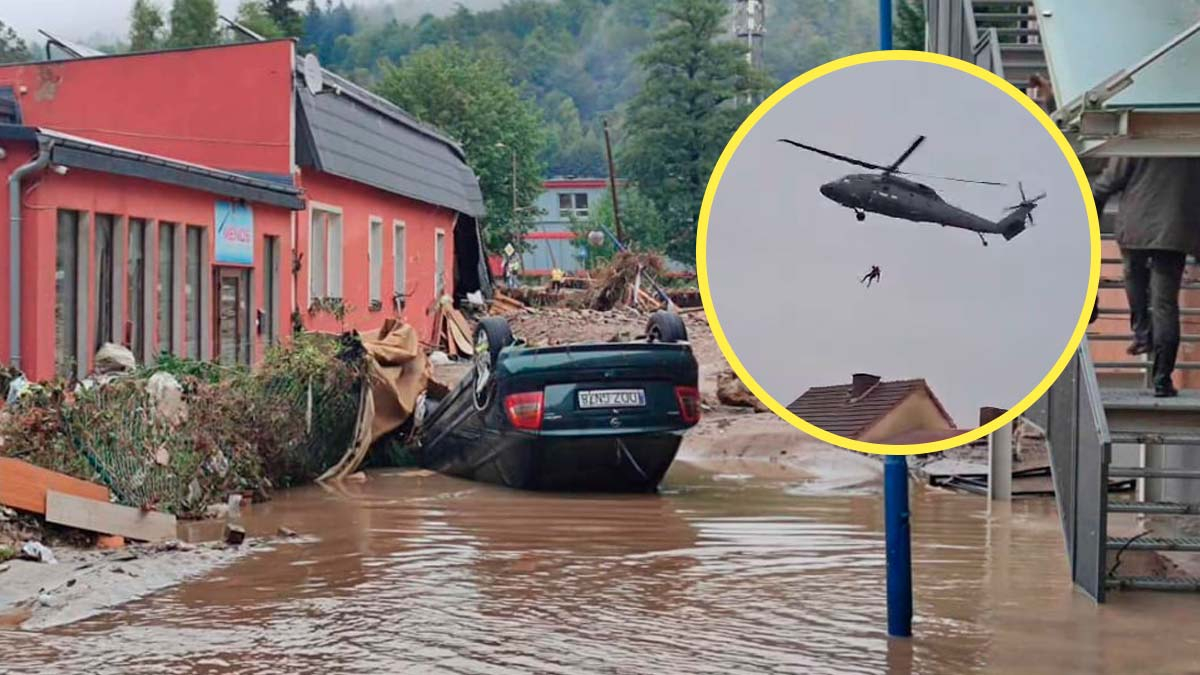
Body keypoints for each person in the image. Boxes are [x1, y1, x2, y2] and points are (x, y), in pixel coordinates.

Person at [1092, 157, 1200, 397]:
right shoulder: (1192, 139)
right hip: (1175, 231)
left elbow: (1107, 183)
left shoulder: (1139, 134)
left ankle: (1142, 334)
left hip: (1136, 226)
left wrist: (1091, 214)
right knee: (1165, 304)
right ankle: (1162, 379)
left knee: (1133, 279)